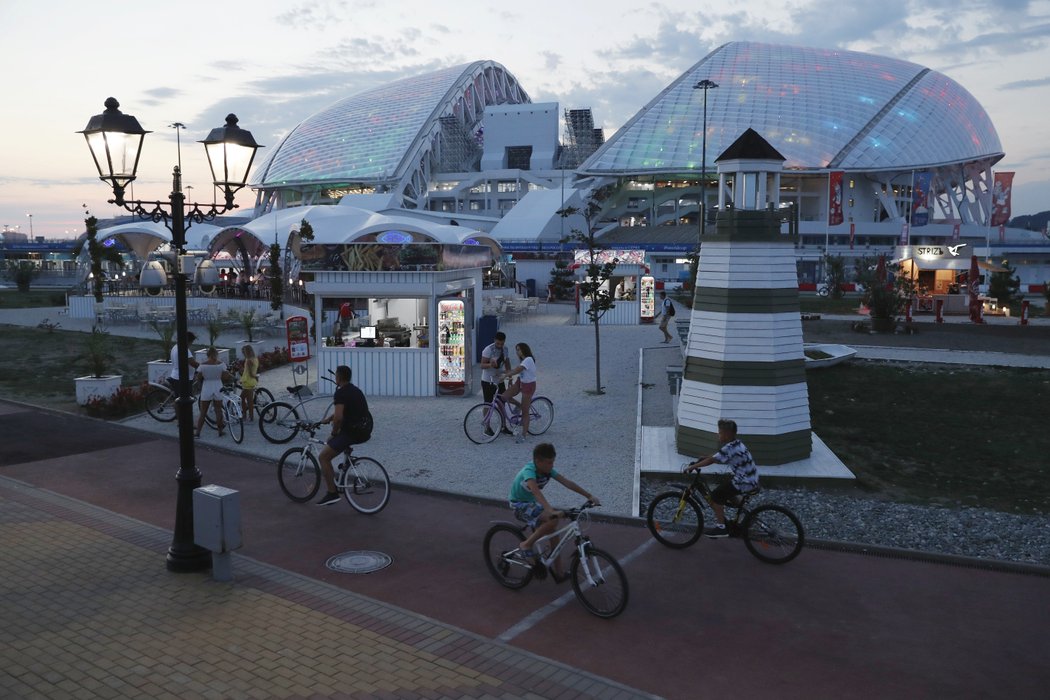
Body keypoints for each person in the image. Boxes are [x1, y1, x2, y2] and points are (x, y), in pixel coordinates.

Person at [502, 442, 600, 567]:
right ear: (538, 461)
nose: (552, 465)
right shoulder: (529, 471)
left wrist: (589, 496)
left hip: (532, 504)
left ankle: (558, 572)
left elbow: (567, 483)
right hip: (519, 506)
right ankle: (526, 544)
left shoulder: (547, 470)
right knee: (553, 520)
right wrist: (550, 510)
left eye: (553, 462)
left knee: (554, 533)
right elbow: (536, 492)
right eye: (549, 462)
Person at [683, 418, 760, 538]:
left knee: (716, 496)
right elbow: (717, 457)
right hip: (751, 479)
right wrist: (705, 457)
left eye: (719, 432)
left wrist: (692, 467)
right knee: (728, 491)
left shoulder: (729, 448)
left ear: (727, 434)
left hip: (744, 481)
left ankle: (721, 528)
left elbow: (712, 460)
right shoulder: (737, 443)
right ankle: (749, 515)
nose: (717, 434)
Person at [316, 364, 370, 506]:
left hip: (351, 432)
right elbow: (344, 411)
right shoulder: (355, 390)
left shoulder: (340, 393)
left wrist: (334, 433)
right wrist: (328, 419)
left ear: (338, 377)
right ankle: (341, 474)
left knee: (323, 457)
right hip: (364, 430)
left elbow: (339, 418)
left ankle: (332, 493)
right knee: (333, 444)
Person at [500, 342, 536, 444]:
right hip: (521, 381)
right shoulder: (523, 360)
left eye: (519, 349)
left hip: (528, 385)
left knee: (525, 412)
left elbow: (517, 370)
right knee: (504, 396)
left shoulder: (528, 359)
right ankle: (519, 405)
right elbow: (516, 371)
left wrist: (506, 376)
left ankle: (524, 435)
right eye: (516, 350)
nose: (517, 352)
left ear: (525, 350)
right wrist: (502, 373)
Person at [194, 347, 231, 438]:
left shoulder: (202, 365)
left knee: (203, 412)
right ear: (216, 354)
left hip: (207, 387)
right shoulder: (221, 364)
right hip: (218, 386)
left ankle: (198, 432)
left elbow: (198, 377)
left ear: (207, 355)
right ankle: (220, 431)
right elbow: (226, 377)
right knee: (218, 411)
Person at [480, 330, 511, 404]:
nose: (500, 346)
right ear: (494, 340)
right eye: (498, 343)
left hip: (499, 380)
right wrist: (491, 365)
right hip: (488, 380)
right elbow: (482, 365)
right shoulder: (488, 349)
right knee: (488, 403)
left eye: (502, 344)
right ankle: (486, 416)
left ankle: (502, 415)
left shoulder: (505, 349)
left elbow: (507, 364)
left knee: (502, 401)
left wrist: (510, 378)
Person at [239, 344, 260, 422]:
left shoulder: (248, 360)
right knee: (248, 400)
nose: (243, 353)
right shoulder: (255, 359)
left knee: (244, 399)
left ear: (246, 352)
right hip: (251, 382)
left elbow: (250, 373)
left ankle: (246, 416)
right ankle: (249, 416)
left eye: (244, 352)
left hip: (248, 382)